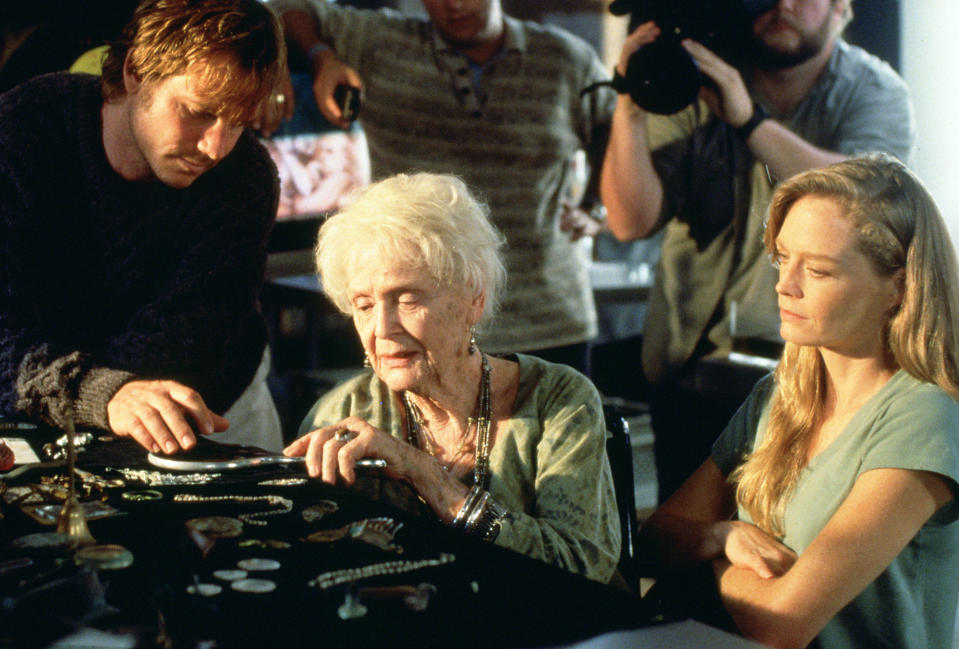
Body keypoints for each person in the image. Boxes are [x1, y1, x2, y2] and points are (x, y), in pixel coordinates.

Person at [638, 154, 959, 649]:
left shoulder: (926, 417)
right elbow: (657, 540)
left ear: (897, 285)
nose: (785, 286)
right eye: (783, 258)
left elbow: (781, 623)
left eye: (821, 271)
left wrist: (716, 554)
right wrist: (720, 536)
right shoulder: (780, 394)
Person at [599, 0, 916, 501]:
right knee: (690, 547)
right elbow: (629, 220)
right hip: (692, 364)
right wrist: (631, 103)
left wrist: (749, 121)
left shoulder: (874, 92)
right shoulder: (694, 80)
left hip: (820, 373)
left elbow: (862, 202)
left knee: (793, 543)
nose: (782, 4)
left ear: (842, 7)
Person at [283, 172, 621, 583]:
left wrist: (426, 476)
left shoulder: (557, 400)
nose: (383, 328)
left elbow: (584, 566)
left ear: (473, 299)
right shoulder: (343, 412)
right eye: (364, 305)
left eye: (407, 299)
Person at [265, 0, 616, 373]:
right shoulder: (380, 42)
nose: (455, 4)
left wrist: (596, 205)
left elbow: (615, 127)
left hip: (548, 318)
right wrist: (321, 57)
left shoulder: (565, 60)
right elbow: (285, 7)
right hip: (418, 325)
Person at [0, 0, 289, 453]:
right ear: (136, 72)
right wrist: (97, 393)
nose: (215, 147)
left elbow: (188, 336)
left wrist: (106, 394)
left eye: (237, 123)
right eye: (197, 111)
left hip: (212, 409)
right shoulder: (22, 133)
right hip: (44, 400)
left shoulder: (246, 176)